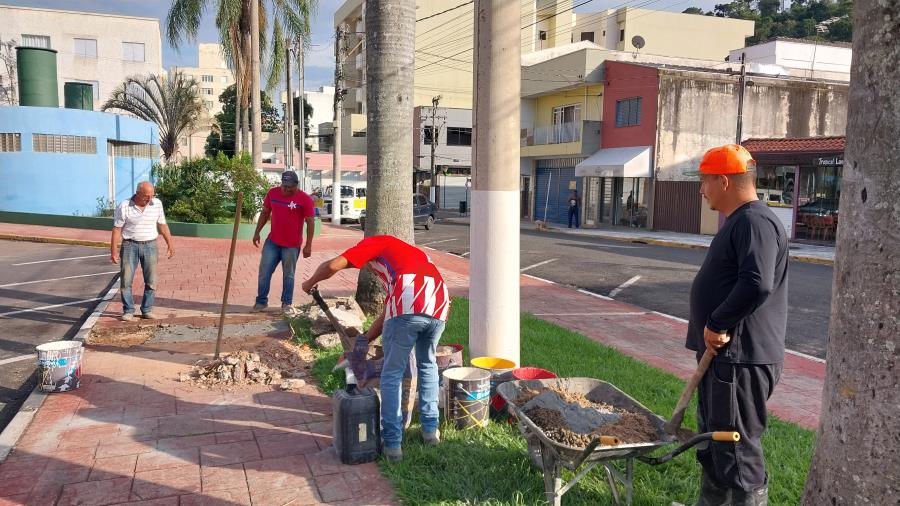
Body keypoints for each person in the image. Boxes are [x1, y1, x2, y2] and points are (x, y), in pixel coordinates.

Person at [680, 144, 788, 506]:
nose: (701, 190)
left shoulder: (755, 222)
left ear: (724, 181)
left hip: (739, 359)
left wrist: (717, 321)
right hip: (724, 358)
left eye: (704, 182)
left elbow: (757, 282)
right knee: (715, 445)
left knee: (737, 450)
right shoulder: (742, 221)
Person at [301, 235, 450, 463]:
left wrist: (309, 283)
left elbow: (333, 265)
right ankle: (431, 432)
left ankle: (392, 445)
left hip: (410, 299)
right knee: (427, 365)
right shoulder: (410, 257)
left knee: (392, 373)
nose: (369, 268)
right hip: (439, 300)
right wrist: (364, 341)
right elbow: (390, 314)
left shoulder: (378, 243)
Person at [253, 171, 316, 315]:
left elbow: (310, 222)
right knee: (264, 272)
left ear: (296, 185)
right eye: (284, 186)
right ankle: (261, 301)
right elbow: (265, 213)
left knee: (289, 274)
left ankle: (286, 303)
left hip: (292, 245)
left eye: (290, 187)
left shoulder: (304, 199)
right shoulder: (273, 193)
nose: (286, 190)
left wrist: (308, 244)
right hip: (273, 241)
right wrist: (257, 232)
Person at [110, 181, 174, 321]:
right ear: (137, 193)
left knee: (151, 281)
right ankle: (128, 310)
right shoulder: (124, 206)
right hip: (129, 246)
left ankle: (147, 309)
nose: (149, 199)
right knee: (126, 281)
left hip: (150, 246)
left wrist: (170, 243)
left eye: (152, 195)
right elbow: (117, 229)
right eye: (146, 196)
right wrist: (113, 251)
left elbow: (162, 225)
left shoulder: (157, 204)